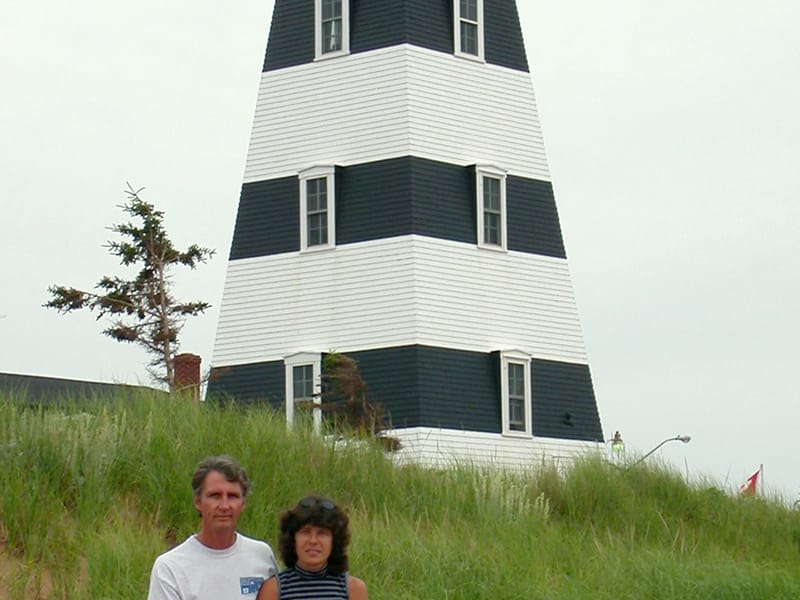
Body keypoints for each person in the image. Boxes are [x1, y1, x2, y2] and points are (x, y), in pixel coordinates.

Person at [148, 455, 279, 599]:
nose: (224, 506)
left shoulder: (262, 555)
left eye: (232, 496)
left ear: (243, 503)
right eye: (215, 496)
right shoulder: (170, 568)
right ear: (198, 502)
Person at [257, 495, 368, 600]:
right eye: (305, 532)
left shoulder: (353, 589)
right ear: (293, 538)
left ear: (334, 541)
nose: (313, 541)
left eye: (322, 533)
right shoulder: (274, 589)